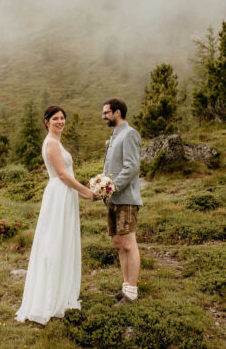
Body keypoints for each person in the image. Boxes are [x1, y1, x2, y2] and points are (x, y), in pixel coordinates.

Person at [15, 105, 96, 325]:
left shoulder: (56, 142)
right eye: (55, 119)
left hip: (65, 194)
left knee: (63, 240)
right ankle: (50, 297)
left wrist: (80, 191)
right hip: (59, 194)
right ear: (46, 122)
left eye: (62, 118)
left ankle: (62, 290)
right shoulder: (51, 143)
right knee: (55, 242)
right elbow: (61, 174)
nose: (60, 121)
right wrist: (85, 191)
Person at [101, 98, 143, 306]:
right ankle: (125, 287)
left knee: (128, 243)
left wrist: (111, 187)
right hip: (113, 199)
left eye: (106, 113)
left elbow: (131, 167)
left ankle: (132, 293)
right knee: (118, 244)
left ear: (117, 113)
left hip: (125, 198)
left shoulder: (130, 134)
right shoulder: (115, 135)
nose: (103, 117)